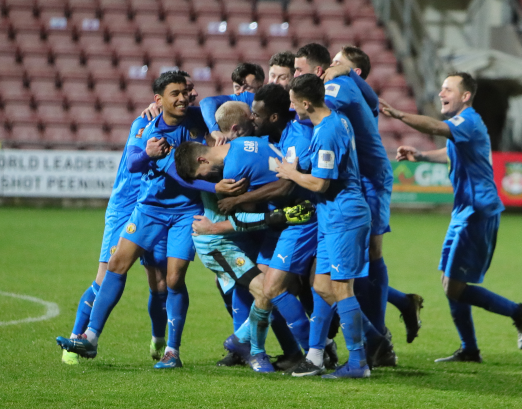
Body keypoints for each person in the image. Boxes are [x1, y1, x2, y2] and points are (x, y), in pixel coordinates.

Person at [56, 72, 217, 369]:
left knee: (170, 280)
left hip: (184, 212)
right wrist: (148, 153)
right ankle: (88, 337)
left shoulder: (200, 119)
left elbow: (217, 105)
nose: (184, 97)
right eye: (176, 93)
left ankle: (170, 350)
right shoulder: (147, 125)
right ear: (158, 100)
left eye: (187, 91)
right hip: (147, 208)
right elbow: (133, 162)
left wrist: (215, 128)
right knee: (115, 265)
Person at [381, 72, 522, 363]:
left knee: (454, 287)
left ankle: (519, 312)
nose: (441, 93)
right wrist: (422, 155)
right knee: (449, 283)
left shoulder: (469, 120)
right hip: (464, 211)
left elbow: (436, 127)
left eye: (447, 89)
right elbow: (452, 152)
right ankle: (470, 349)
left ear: (465, 96)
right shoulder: (462, 126)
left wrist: (400, 115)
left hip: (478, 212)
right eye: (441, 88)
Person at [293, 44, 398, 366]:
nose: (295, 77)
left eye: (298, 72)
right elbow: (373, 102)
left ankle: (370, 344)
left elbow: (315, 108)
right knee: (329, 283)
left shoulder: (335, 93)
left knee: (357, 268)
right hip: (348, 187)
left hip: (364, 184)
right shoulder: (348, 93)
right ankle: (358, 343)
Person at [173, 132, 299, 373]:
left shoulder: (229, 164)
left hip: (231, 238)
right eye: (201, 179)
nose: (206, 180)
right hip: (216, 244)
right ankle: (256, 353)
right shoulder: (228, 172)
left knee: (274, 290)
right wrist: (277, 217)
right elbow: (243, 217)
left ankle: (243, 342)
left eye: (203, 176)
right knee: (266, 290)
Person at [276, 74, 374, 379]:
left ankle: (359, 362)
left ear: (306, 102)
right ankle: (317, 357)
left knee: (342, 289)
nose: (292, 109)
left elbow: (320, 182)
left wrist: (290, 172)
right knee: (320, 285)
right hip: (330, 216)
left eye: (293, 102)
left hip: (344, 215)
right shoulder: (335, 120)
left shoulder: (329, 130)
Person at [326, 45, 425, 344]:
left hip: (372, 178)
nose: (331, 66)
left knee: (371, 253)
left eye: (337, 62)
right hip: (354, 178)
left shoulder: (354, 90)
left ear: (353, 72)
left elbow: (370, 97)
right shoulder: (350, 88)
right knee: (352, 262)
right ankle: (402, 303)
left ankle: (378, 333)